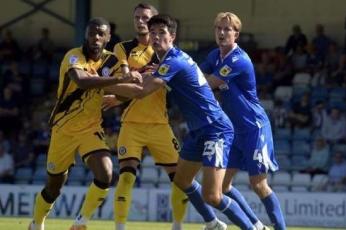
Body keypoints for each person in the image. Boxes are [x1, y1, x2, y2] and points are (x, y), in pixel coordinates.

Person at [106, 14, 259, 230]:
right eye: (153, 33)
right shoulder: (165, 62)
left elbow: (142, 92)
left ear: (173, 36)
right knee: (181, 180)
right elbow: (142, 86)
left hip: (216, 129)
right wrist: (119, 91)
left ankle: (252, 228)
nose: (156, 37)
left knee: (213, 196)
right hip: (198, 131)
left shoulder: (173, 61)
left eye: (162, 33)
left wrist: (99, 84)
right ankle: (213, 223)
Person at [27, 17, 141, 230]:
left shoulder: (112, 61)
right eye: (91, 33)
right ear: (85, 35)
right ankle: (36, 224)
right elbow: (82, 81)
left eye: (100, 34)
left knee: (106, 173)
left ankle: (80, 223)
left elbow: (127, 93)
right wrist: (120, 80)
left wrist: (121, 96)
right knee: (53, 188)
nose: (95, 37)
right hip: (63, 129)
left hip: (91, 128)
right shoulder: (74, 56)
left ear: (107, 38)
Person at [103, 4, 189, 230]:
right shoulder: (123, 48)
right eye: (137, 17)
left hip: (160, 124)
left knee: (180, 179)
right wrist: (135, 80)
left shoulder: (167, 51)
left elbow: (167, 83)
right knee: (127, 176)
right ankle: (120, 227)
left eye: (146, 18)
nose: (141, 21)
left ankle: (177, 225)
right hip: (131, 123)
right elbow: (124, 79)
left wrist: (132, 83)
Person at [200, 12, 286, 230]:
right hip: (235, 131)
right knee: (224, 186)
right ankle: (257, 225)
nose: (222, 33)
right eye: (218, 28)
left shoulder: (239, 59)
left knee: (258, 184)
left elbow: (209, 82)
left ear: (236, 34)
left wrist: (183, 75)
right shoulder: (214, 56)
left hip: (254, 127)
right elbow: (200, 74)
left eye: (227, 29)